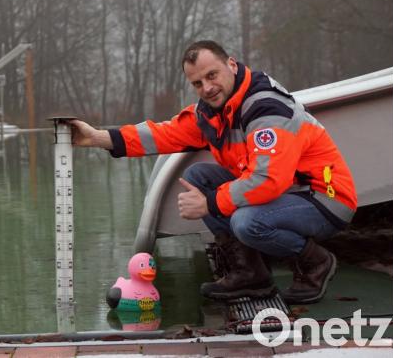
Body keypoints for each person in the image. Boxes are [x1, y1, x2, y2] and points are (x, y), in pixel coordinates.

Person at [70, 40, 357, 304]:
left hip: (325, 196)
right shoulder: (212, 112)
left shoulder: (266, 108)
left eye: (212, 75)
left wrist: (209, 203)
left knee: (247, 222)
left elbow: (268, 181)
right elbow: (164, 134)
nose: (207, 88)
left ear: (231, 65)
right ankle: (250, 275)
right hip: (287, 192)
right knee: (198, 177)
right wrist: (98, 138)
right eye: (197, 83)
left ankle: (316, 263)